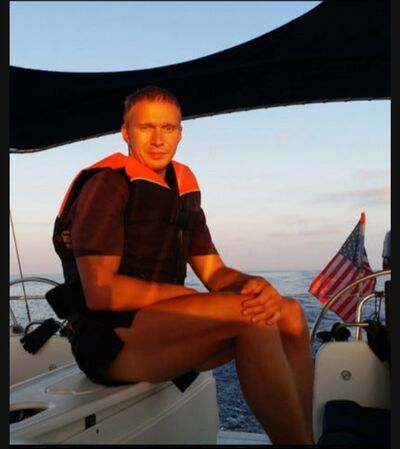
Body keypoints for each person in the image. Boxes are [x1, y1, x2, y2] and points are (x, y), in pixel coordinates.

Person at [47, 86, 314, 444]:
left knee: (289, 312)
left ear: (180, 132)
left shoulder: (180, 190)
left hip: (161, 326)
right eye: (146, 127)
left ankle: (306, 437)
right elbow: (101, 292)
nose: (158, 139)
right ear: (126, 132)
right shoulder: (107, 184)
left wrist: (256, 285)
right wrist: (188, 298)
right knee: (251, 318)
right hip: (109, 340)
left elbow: (215, 273)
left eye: (168, 128)